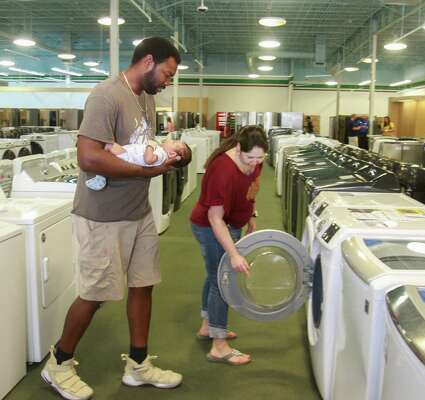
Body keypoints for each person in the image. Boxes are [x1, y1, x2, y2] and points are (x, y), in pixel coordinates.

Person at [41, 37, 182, 400]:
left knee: (143, 284)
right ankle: (58, 362)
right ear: (148, 61)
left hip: (138, 210)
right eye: (166, 73)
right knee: (94, 293)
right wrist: (143, 173)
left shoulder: (147, 98)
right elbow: (88, 157)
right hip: (103, 216)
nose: (167, 81)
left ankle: (138, 365)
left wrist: (161, 155)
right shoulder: (106, 95)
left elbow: (137, 147)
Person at [190, 125, 268, 366]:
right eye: (250, 157)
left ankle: (208, 326)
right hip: (210, 227)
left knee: (214, 276)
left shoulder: (256, 160)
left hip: (232, 223)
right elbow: (215, 218)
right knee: (222, 280)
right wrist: (234, 254)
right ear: (238, 148)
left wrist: (251, 214)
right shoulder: (222, 170)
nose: (255, 162)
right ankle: (219, 346)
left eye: (260, 157)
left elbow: (251, 188)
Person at [85, 139, 192, 190]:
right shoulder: (161, 153)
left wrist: (150, 145)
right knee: (107, 149)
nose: (170, 140)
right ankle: (101, 176)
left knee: (107, 144)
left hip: (129, 157)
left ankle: (101, 177)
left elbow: (148, 159)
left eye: (173, 142)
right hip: (128, 155)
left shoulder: (161, 154)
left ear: (172, 153)